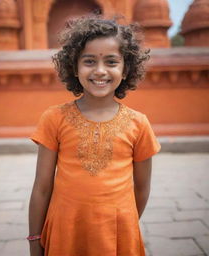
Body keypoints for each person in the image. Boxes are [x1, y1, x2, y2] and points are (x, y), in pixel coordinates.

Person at [28, 15, 161, 256]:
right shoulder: (54, 118)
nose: (100, 71)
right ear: (74, 67)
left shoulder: (139, 124)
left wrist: (123, 223)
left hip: (118, 235)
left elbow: (141, 189)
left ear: (126, 68)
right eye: (89, 61)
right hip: (64, 232)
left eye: (111, 62)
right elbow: (42, 187)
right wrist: (34, 239)